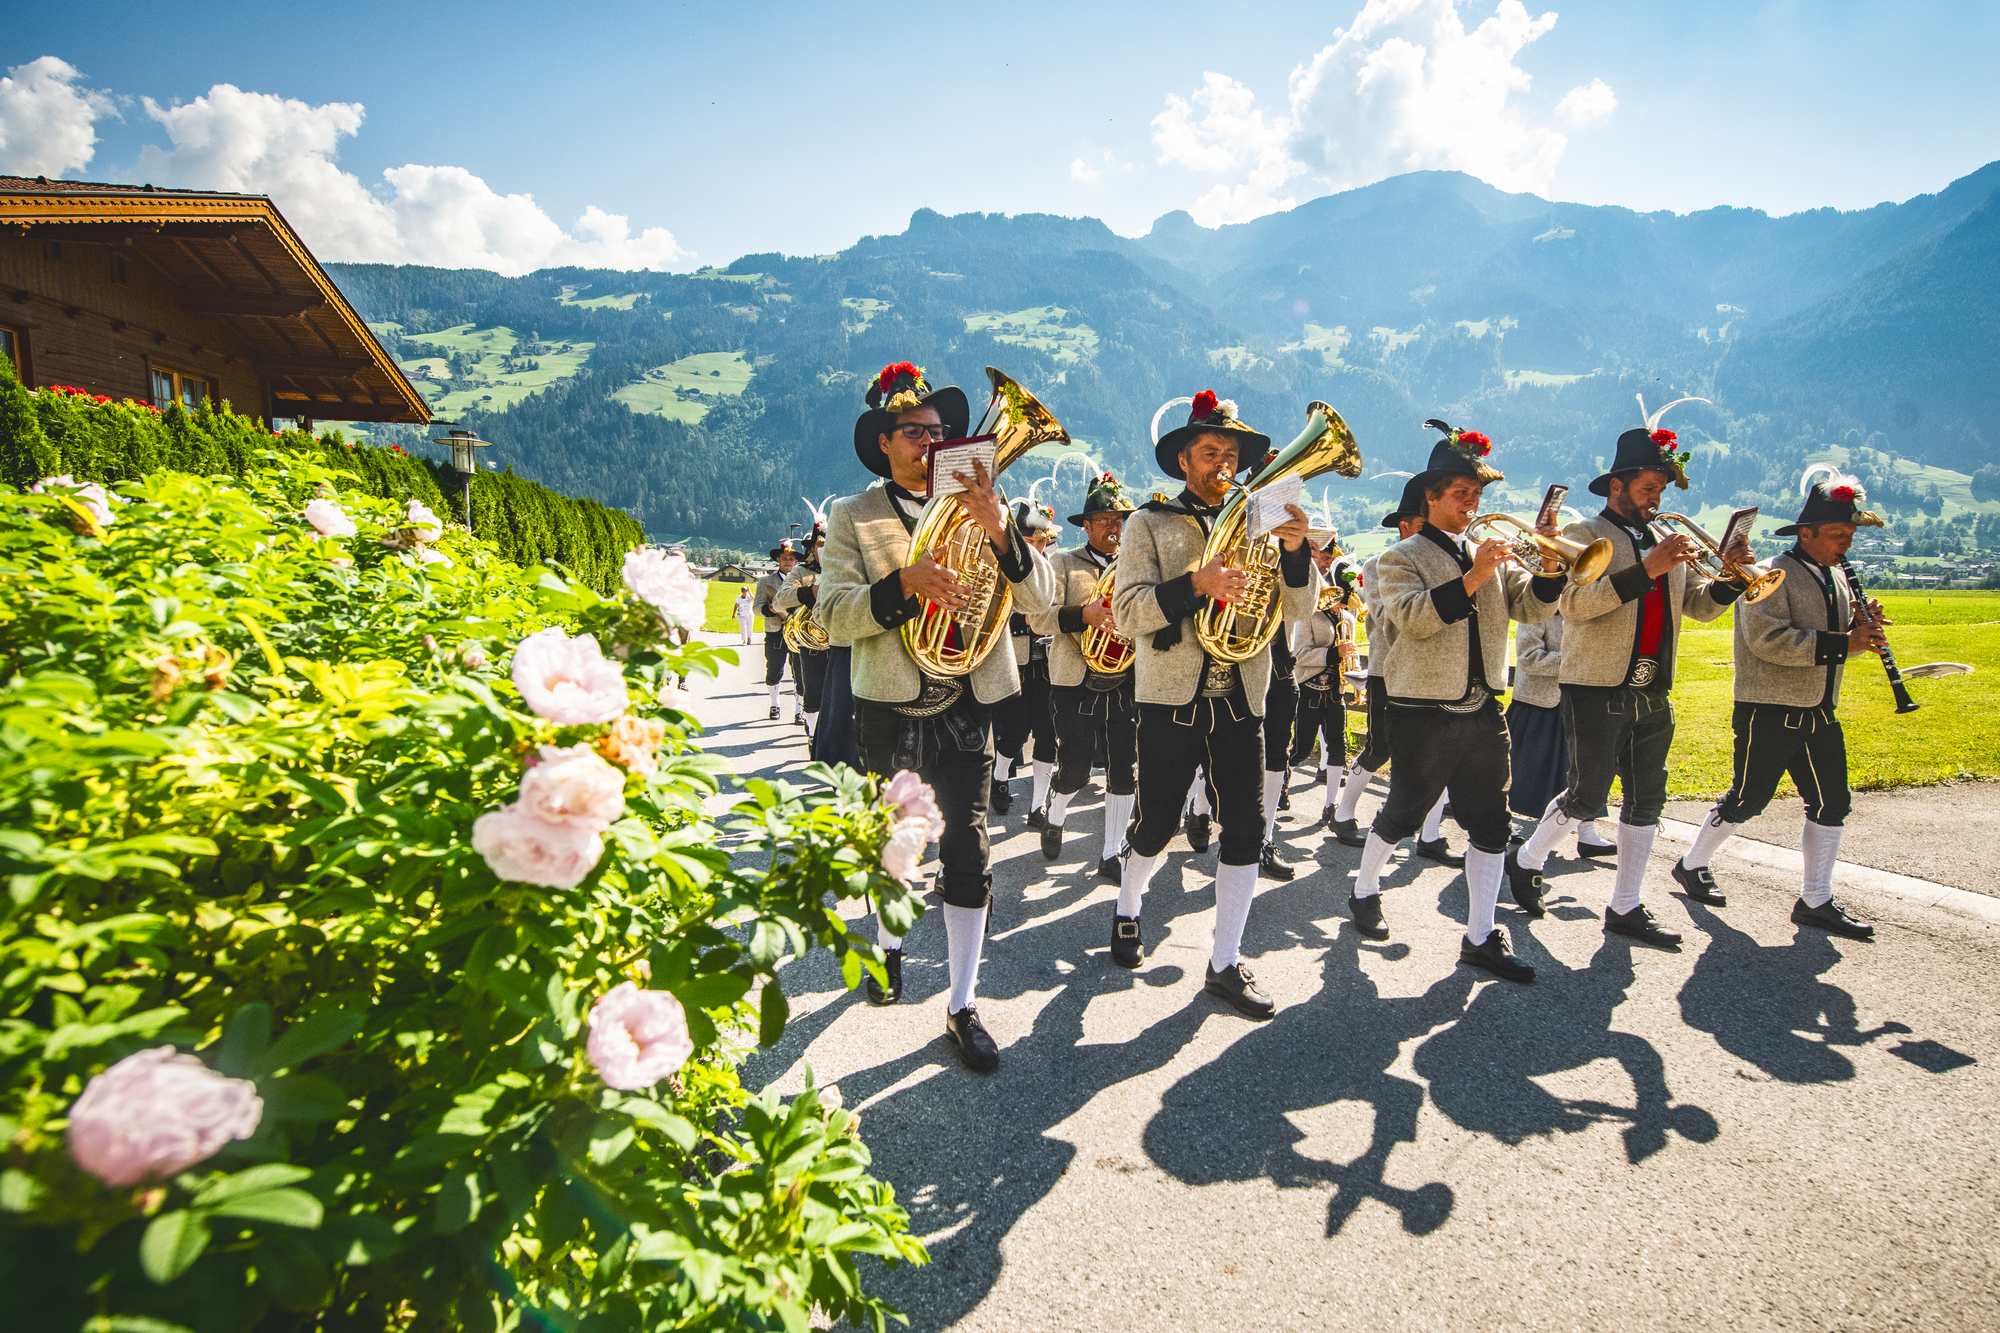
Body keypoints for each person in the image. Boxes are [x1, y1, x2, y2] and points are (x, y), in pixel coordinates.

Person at [817, 360, 1057, 1073]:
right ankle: (890, 948)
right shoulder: (854, 515)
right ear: (885, 441)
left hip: (966, 702)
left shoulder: (986, 500)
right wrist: (901, 585)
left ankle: (962, 1002)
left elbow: (1041, 604)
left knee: (968, 852)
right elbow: (831, 614)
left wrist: (1003, 535)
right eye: (916, 431)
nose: (933, 441)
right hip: (890, 707)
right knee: (894, 845)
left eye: (940, 431)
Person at [1506, 402, 1748, 948]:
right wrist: (1648, 570)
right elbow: (1573, 607)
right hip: (1595, 684)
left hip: (1653, 685)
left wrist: (1732, 579)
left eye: (1662, 488)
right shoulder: (1582, 531)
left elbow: (1701, 608)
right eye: (1647, 487)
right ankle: (1526, 859)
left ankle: (1626, 906)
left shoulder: (1667, 540)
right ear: (1617, 485)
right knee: (1586, 795)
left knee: (1646, 800)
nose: (1657, 498)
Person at [1110, 390, 1317, 1017]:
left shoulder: (1259, 516)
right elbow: (1125, 614)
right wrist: (1195, 585)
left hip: (1240, 697)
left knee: (1249, 828)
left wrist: (1296, 551)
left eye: (1230, 453)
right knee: (1157, 824)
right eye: (1210, 451)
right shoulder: (1147, 522)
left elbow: (1301, 612)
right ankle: (1127, 908)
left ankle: (1224, 962)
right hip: (1170, 696)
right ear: (1182, 460)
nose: (1223, 461)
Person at [1352, 421, 1562, 982]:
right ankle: (1365, 886)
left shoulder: (1485, 554)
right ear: (1432, 495)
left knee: (1491, 823)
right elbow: (1416, 620)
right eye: (1461, 493)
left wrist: (1551, 568)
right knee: (1405, 811)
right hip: (1420, 707)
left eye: (1477, 494)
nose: (1472, 503)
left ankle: (1480, 936)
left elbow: (1531, 608)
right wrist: (1475, 575)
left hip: (1483, 705)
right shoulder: (1399, 557)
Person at [1671, 470, 1887, 940]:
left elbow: (1839, 629)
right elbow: (1768, 640)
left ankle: (1816, 899)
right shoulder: (1771, 575)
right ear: (1805, 533)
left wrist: (1864, 625)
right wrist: (1846, 643)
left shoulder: (1835, 575)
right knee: (1748, 799)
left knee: (1832, 802)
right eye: (1836, 535)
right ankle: (1692, 864)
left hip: (1819, 708)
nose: (1844, 545)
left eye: (1849, 536)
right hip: (1768, 708)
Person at [1324, 477, 1456, 866]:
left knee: (1443, 754)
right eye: (1423, 522)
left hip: (1437, 672)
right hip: (1389, 670)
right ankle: (1344, 814)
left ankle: (1430, 835)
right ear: (1405, 526)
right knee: (1379, 747)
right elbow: (1387, 620)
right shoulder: (1379, 564)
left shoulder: (1445, 559)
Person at [1028, 472, 1137, 878]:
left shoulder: (1134, 564)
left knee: (1124, 766)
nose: (1113, 526)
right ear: (1086, 525)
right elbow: (1038, 619)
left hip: (1125, 677)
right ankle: (1055, 809)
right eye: (1104, 519)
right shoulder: (1063, 563)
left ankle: (1112, 853)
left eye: (1118, 519)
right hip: (1075, 680)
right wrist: (1084, 614)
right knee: (1074, 767)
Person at [1505, 613, 1616, 854]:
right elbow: (1528, 658)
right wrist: (1576, 660)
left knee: (1581, 771)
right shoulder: (1535, 611)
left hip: (1576, 703)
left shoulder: (1582, 610)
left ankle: (1587, 835)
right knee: (1519, 774)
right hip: (1536, 704)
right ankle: (1503, 823)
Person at [993, 501, 1060, 818]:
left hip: (1049, 664)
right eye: (1029, 541)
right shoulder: (1004, 567)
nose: (1037, 547)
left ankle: (1038, 805)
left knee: (1048, 733)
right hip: (1016, 663)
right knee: (1016, 731)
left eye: (1041, 541)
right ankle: (1000, 777)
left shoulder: (1053, 568)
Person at [1291, 535, 1358, 817]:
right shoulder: (1308, 616)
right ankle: (1279, 780)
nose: (1341, 604)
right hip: (1309, 689)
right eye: (1338, 597)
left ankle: (1331, 805)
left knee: (1337, 748)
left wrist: (1356, 682)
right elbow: (1299, 655)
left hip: (1335, 692)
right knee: (1301, 749)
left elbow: (1349, 658)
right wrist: (1333, 654)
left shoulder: (1349, 621)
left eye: (1344, 598)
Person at [773, 507, 831, 748]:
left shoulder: (848, 568)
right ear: (811, 549)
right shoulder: (801, 571)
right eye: (820, 545)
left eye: (829, 543)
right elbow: (779, 601)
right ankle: (814, 737)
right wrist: (811, 591)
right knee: (813, 693)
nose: (825, 549)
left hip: (846, 641)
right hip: (814, 644)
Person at [753, 542, 799, 720]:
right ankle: (775, 704)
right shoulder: (765, 581)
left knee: (800, 673)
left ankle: (799, 709)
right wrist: (768, 609)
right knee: (774, 670)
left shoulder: (802, 580)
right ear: (778, 560)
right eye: (785, 558)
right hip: (775, 632)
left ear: (796, 562)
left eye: (792, 558)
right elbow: (756, 608)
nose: (788, 561)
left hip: (797, 633)